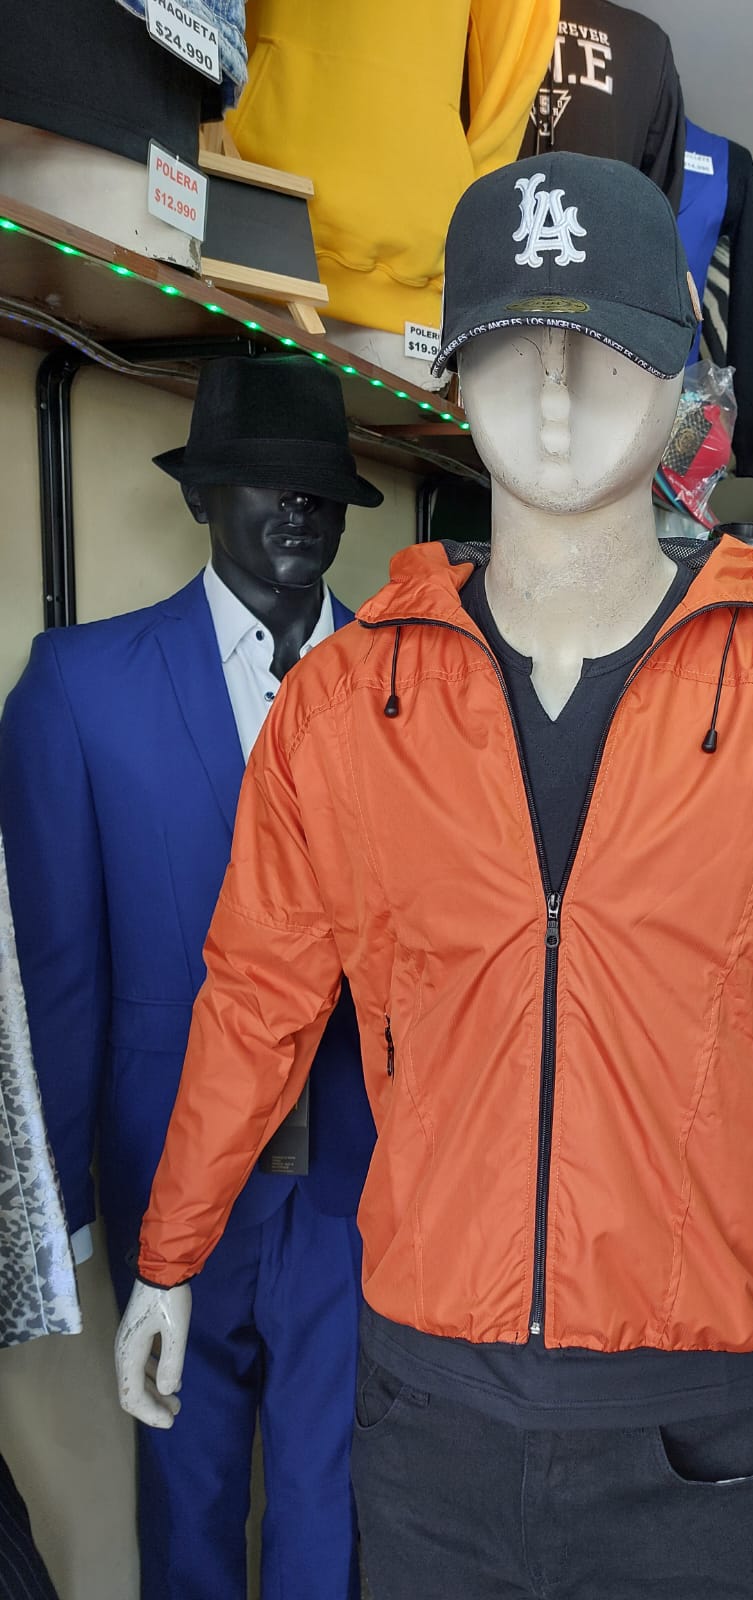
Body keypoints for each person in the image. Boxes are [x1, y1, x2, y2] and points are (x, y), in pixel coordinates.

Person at [117, 155, 753, 1598]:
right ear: (454, 378)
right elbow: (254, 997)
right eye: (513, 347)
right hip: (428, 1421)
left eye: (605, 347)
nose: (559, 395)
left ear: (684, 379)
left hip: (705, 1429)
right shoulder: (346, 705)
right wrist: (170, 1256)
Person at [0, 356, 381, 1599]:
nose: (299, 508)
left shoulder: (411, 690)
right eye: (267, 481)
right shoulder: (80, 689)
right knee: (188, 1497)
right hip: (165, 1163)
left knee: (335, 1504)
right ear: (199, 493)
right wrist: (55, 1209)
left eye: (321, 488)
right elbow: (59, 974)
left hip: (361, 1176)